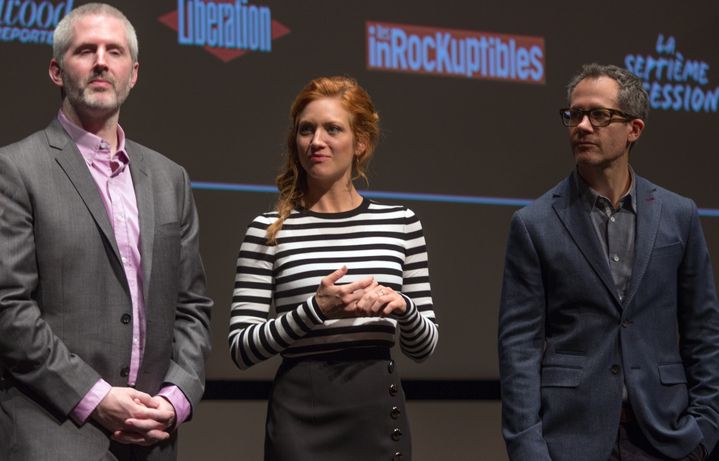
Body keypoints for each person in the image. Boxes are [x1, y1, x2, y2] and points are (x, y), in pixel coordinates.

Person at [0, 4, 212, 460]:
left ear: (132, 73)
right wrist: (96, 397)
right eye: (85, 50)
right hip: (53, 434)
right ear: (57, 70)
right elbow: (8, 309)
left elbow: (192, 307)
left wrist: (174, 400)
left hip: (153, 438)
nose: (101, 61)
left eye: (114, 51)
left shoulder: (169, 176)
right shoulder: (15, 170)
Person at [498, 63, 719, 461]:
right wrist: (528, 449)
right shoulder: (534, 224)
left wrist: (704, 430)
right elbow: (519, 349)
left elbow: (703, 330)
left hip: (667, 436)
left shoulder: (678, 214)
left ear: (634, 129)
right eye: (574, 115)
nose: (582, 126)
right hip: (571, 438)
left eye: (599, 115)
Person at [228, 76, 438, 461]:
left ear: (361, 142)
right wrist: (315, 311)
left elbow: (424, 347)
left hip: (377, 419)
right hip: (300, 423)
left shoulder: (401, 223)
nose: (316, 141)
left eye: (332, 129)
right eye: (306, 130)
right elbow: (241, 348)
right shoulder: (267, 230)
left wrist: (403, 307)